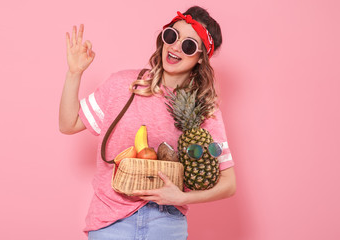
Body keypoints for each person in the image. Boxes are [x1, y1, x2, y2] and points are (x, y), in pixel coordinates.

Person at [58, 6, 236, 240]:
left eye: (189, 45)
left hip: (167, 223)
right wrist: (74, 73)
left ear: (201, 57)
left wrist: (181, 198)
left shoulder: (204, 110)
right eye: (172, 36)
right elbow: (68, 124)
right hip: (110, 222)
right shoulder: (122, 84)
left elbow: (228, 184)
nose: (175, 46)